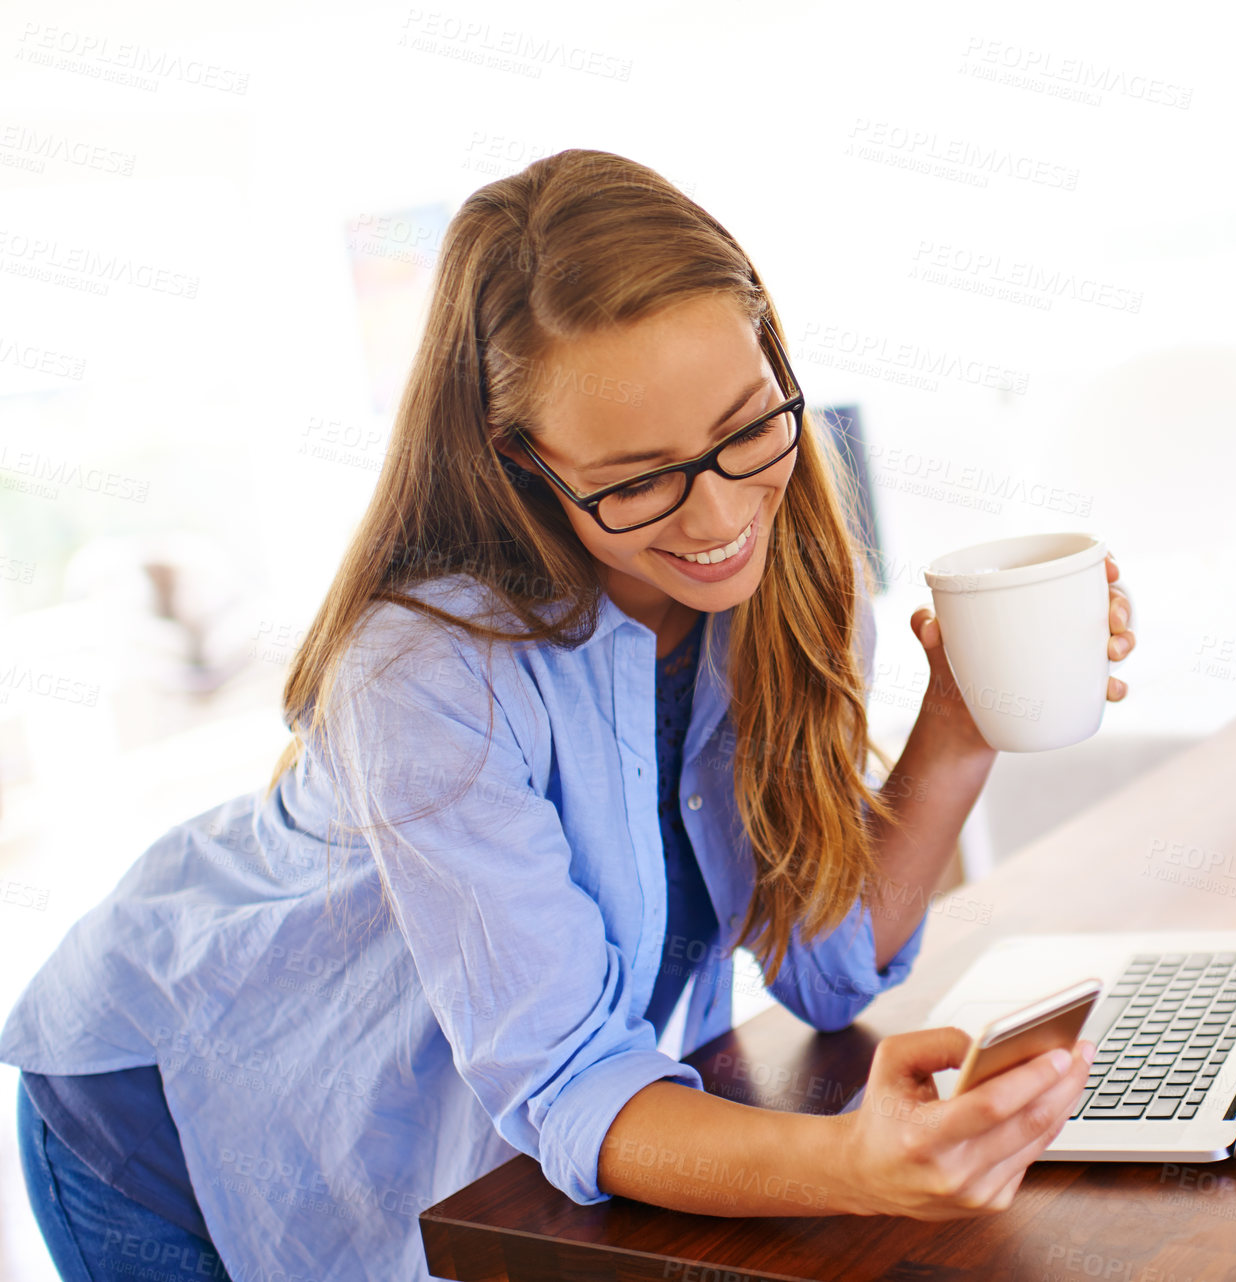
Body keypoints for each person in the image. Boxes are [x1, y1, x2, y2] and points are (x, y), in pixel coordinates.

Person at [3, 149, 1137, 1280]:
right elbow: (567, 1080)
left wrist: (968, 709)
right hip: (171, 1106)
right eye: (638, 477)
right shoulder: (428, 671)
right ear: (521, 461)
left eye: (749, 427)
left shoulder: (782, 578)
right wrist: (851, 1162)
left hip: (456, 1123)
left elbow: (825, 964)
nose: (721, 512)